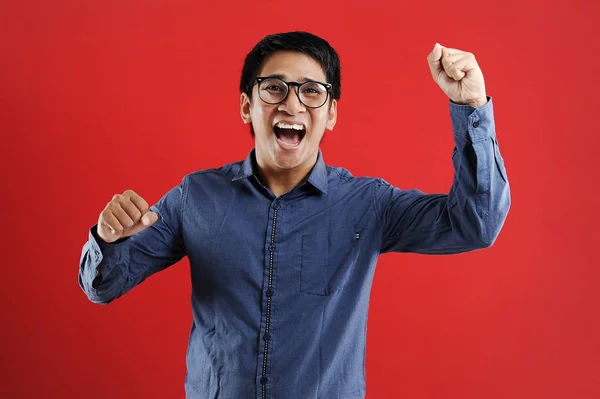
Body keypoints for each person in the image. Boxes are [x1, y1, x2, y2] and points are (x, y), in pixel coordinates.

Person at [78, 31, 510, 399]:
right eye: (273, 88)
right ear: (247, 106)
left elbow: (475, 224)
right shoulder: (197, 196)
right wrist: (109, 237)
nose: (292, 104)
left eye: (311, 91)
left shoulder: (369, 203)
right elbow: (103, 285)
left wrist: (472, 108)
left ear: (332, 113)